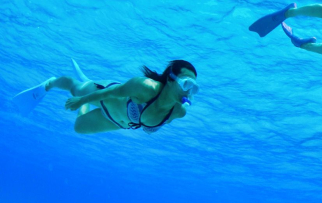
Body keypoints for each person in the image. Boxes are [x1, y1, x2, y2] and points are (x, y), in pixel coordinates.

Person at [11, 59, 199, 135]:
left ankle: (83, 101)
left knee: (79, 128)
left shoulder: (179, 111)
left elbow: (156, 123)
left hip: (117, 122)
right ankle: (50, 83)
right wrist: (81, 101)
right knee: (75, 89)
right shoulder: (144, 87)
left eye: (194, 88)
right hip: (105, 96)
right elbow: (111, 93)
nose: (188, 92)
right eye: (186, 84)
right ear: (170, 79)